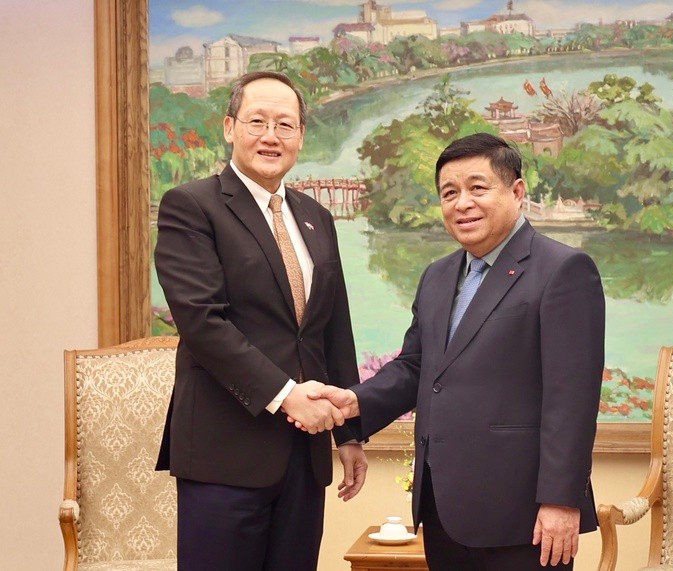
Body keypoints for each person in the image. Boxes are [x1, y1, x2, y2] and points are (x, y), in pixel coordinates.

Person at [302, 133, 605, 570]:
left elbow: (572, 399)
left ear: (517, 192)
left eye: (478, 188)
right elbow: (417, 367)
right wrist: (355, 401)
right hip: (443, 510)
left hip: (525, 516)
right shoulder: (438, 276)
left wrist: (561, 501)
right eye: (449, 193)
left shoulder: (563, 270)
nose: (462, 203)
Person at [154, 71, 367, 571]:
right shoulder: (192, 206)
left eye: (285, 125)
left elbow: (333, 328)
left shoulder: (317, 216)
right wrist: (287, 395)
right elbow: (204, 324)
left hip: (303, 456)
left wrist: (351, 434)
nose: (271, 136)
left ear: (300, 137)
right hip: (224, 452)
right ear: (229, 127)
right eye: (257, 121)